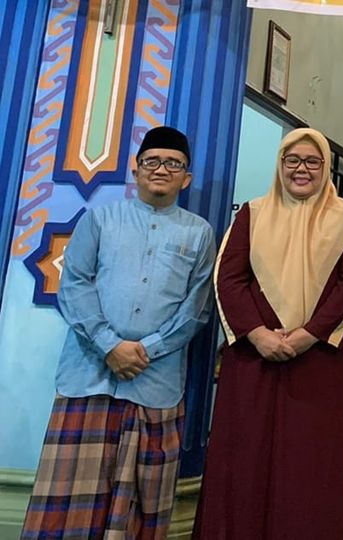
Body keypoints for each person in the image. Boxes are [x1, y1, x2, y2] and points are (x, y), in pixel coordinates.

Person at [21, 126, 216, 539]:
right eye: (152, 161)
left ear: (186, 178)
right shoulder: (101, 218)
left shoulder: (199, 233)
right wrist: (110, 346)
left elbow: (197, 308)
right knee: (69, 506)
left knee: (141, 508)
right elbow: (74, 285)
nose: (161, 169)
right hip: (89, 378)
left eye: (173, 164)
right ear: (136, 168)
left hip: (155, 383)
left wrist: (147, 349)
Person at [193, 128, 343, 539]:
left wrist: (308, 335)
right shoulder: (252, 214)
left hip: (318, 363)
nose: (301, 169)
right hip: (254, 359)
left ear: (326, 167)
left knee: (307, 461)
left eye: (312, 161)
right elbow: (229, 278)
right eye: (292, 160)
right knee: (245, 454)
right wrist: (258, 334)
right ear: (280, 165)